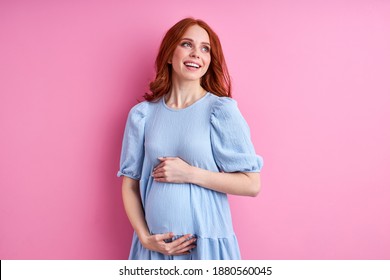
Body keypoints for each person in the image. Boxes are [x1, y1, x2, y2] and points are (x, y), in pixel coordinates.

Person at [117, 17, 263, 260]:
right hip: (153, 248)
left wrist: (189, 174)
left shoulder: (220, 110)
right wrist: (145, 238)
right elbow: (130, 184)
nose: (197, 54)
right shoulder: (142, 114)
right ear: (168, 54)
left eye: (205, 48)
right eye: (187, 44)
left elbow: (251, 184)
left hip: (206, 247)